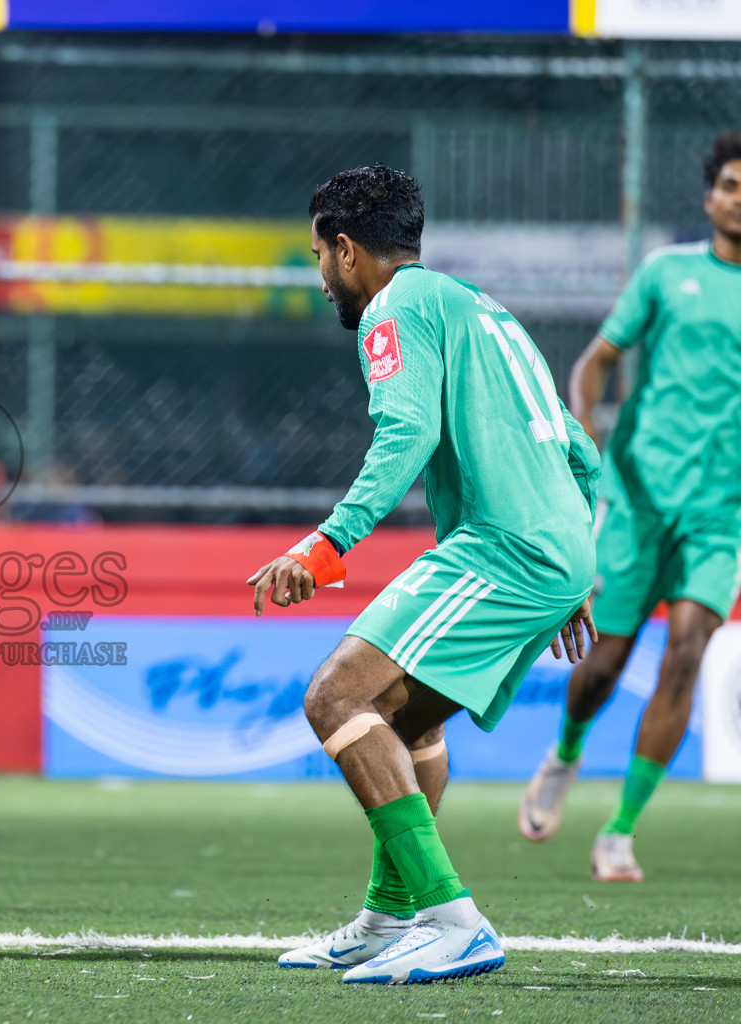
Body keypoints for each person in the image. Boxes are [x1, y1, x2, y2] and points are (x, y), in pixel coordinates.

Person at [248, 166, 600, 984]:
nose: (321, 276)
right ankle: (387, 918)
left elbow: (404, 431)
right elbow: (574, 440)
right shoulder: (482, 308)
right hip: (551, 546)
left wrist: (327, 545)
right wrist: (582, 561)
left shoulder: (397, 310)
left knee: (336, 697)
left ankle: (454, 920)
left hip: (505, 547)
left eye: (318, 257)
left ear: (347, 249)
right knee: (406, 723)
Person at [518, 132, 741, 880]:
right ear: (710, 196)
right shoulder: (666, 274)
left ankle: (619, 830)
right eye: (731, 184)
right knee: (605, 661)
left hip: (721, 517)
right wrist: (584, 440)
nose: (739, 197)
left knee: (685, 653)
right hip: (638, 499)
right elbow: (595, 364)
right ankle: (566, 753)